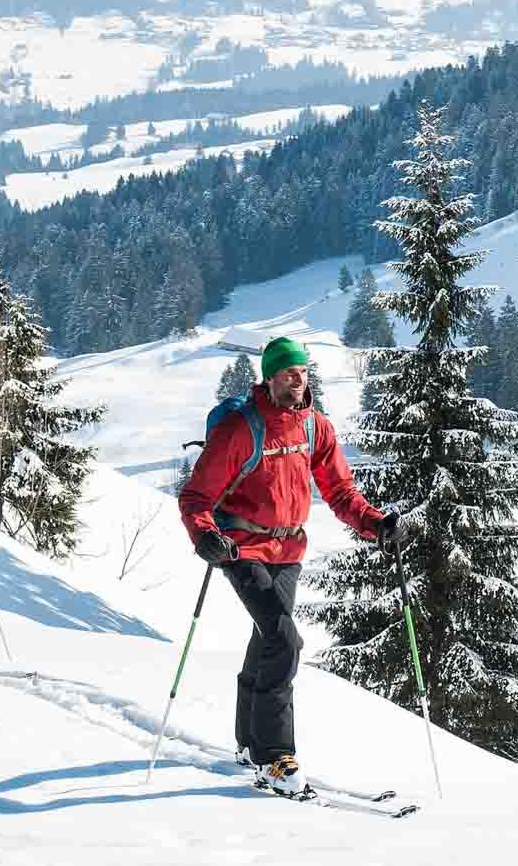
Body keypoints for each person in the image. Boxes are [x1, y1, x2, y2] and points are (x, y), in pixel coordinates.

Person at [178, 335, 407, 796]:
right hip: (240, 547)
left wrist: (376, 524)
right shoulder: (242, 428)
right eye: (287, 372)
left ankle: (247, 743)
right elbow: (196, 495)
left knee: (269, 637)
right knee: (285, 639)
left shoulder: (314, 428)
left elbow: (340, 492)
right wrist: (205, 536)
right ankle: (274, 758)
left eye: (302, 370)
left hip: (289, 551)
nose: (297, 378)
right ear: (270, 376)